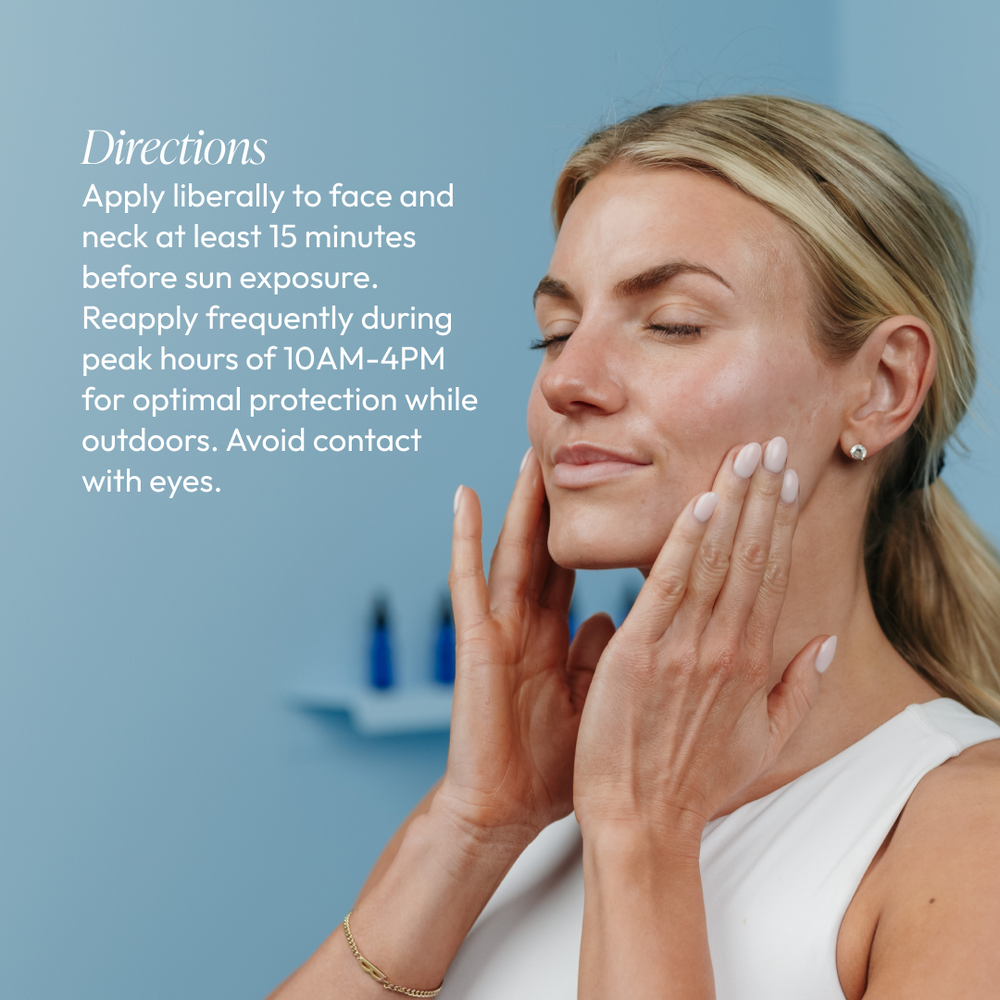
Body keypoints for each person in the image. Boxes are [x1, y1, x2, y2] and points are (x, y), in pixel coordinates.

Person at [269, 96, 1000, 999]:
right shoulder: (518, 813)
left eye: (672, 323)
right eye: (557, 332)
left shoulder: (967, 838)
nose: (567, 380)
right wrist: (470, 829)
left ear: (883, 386)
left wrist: (646, 832)